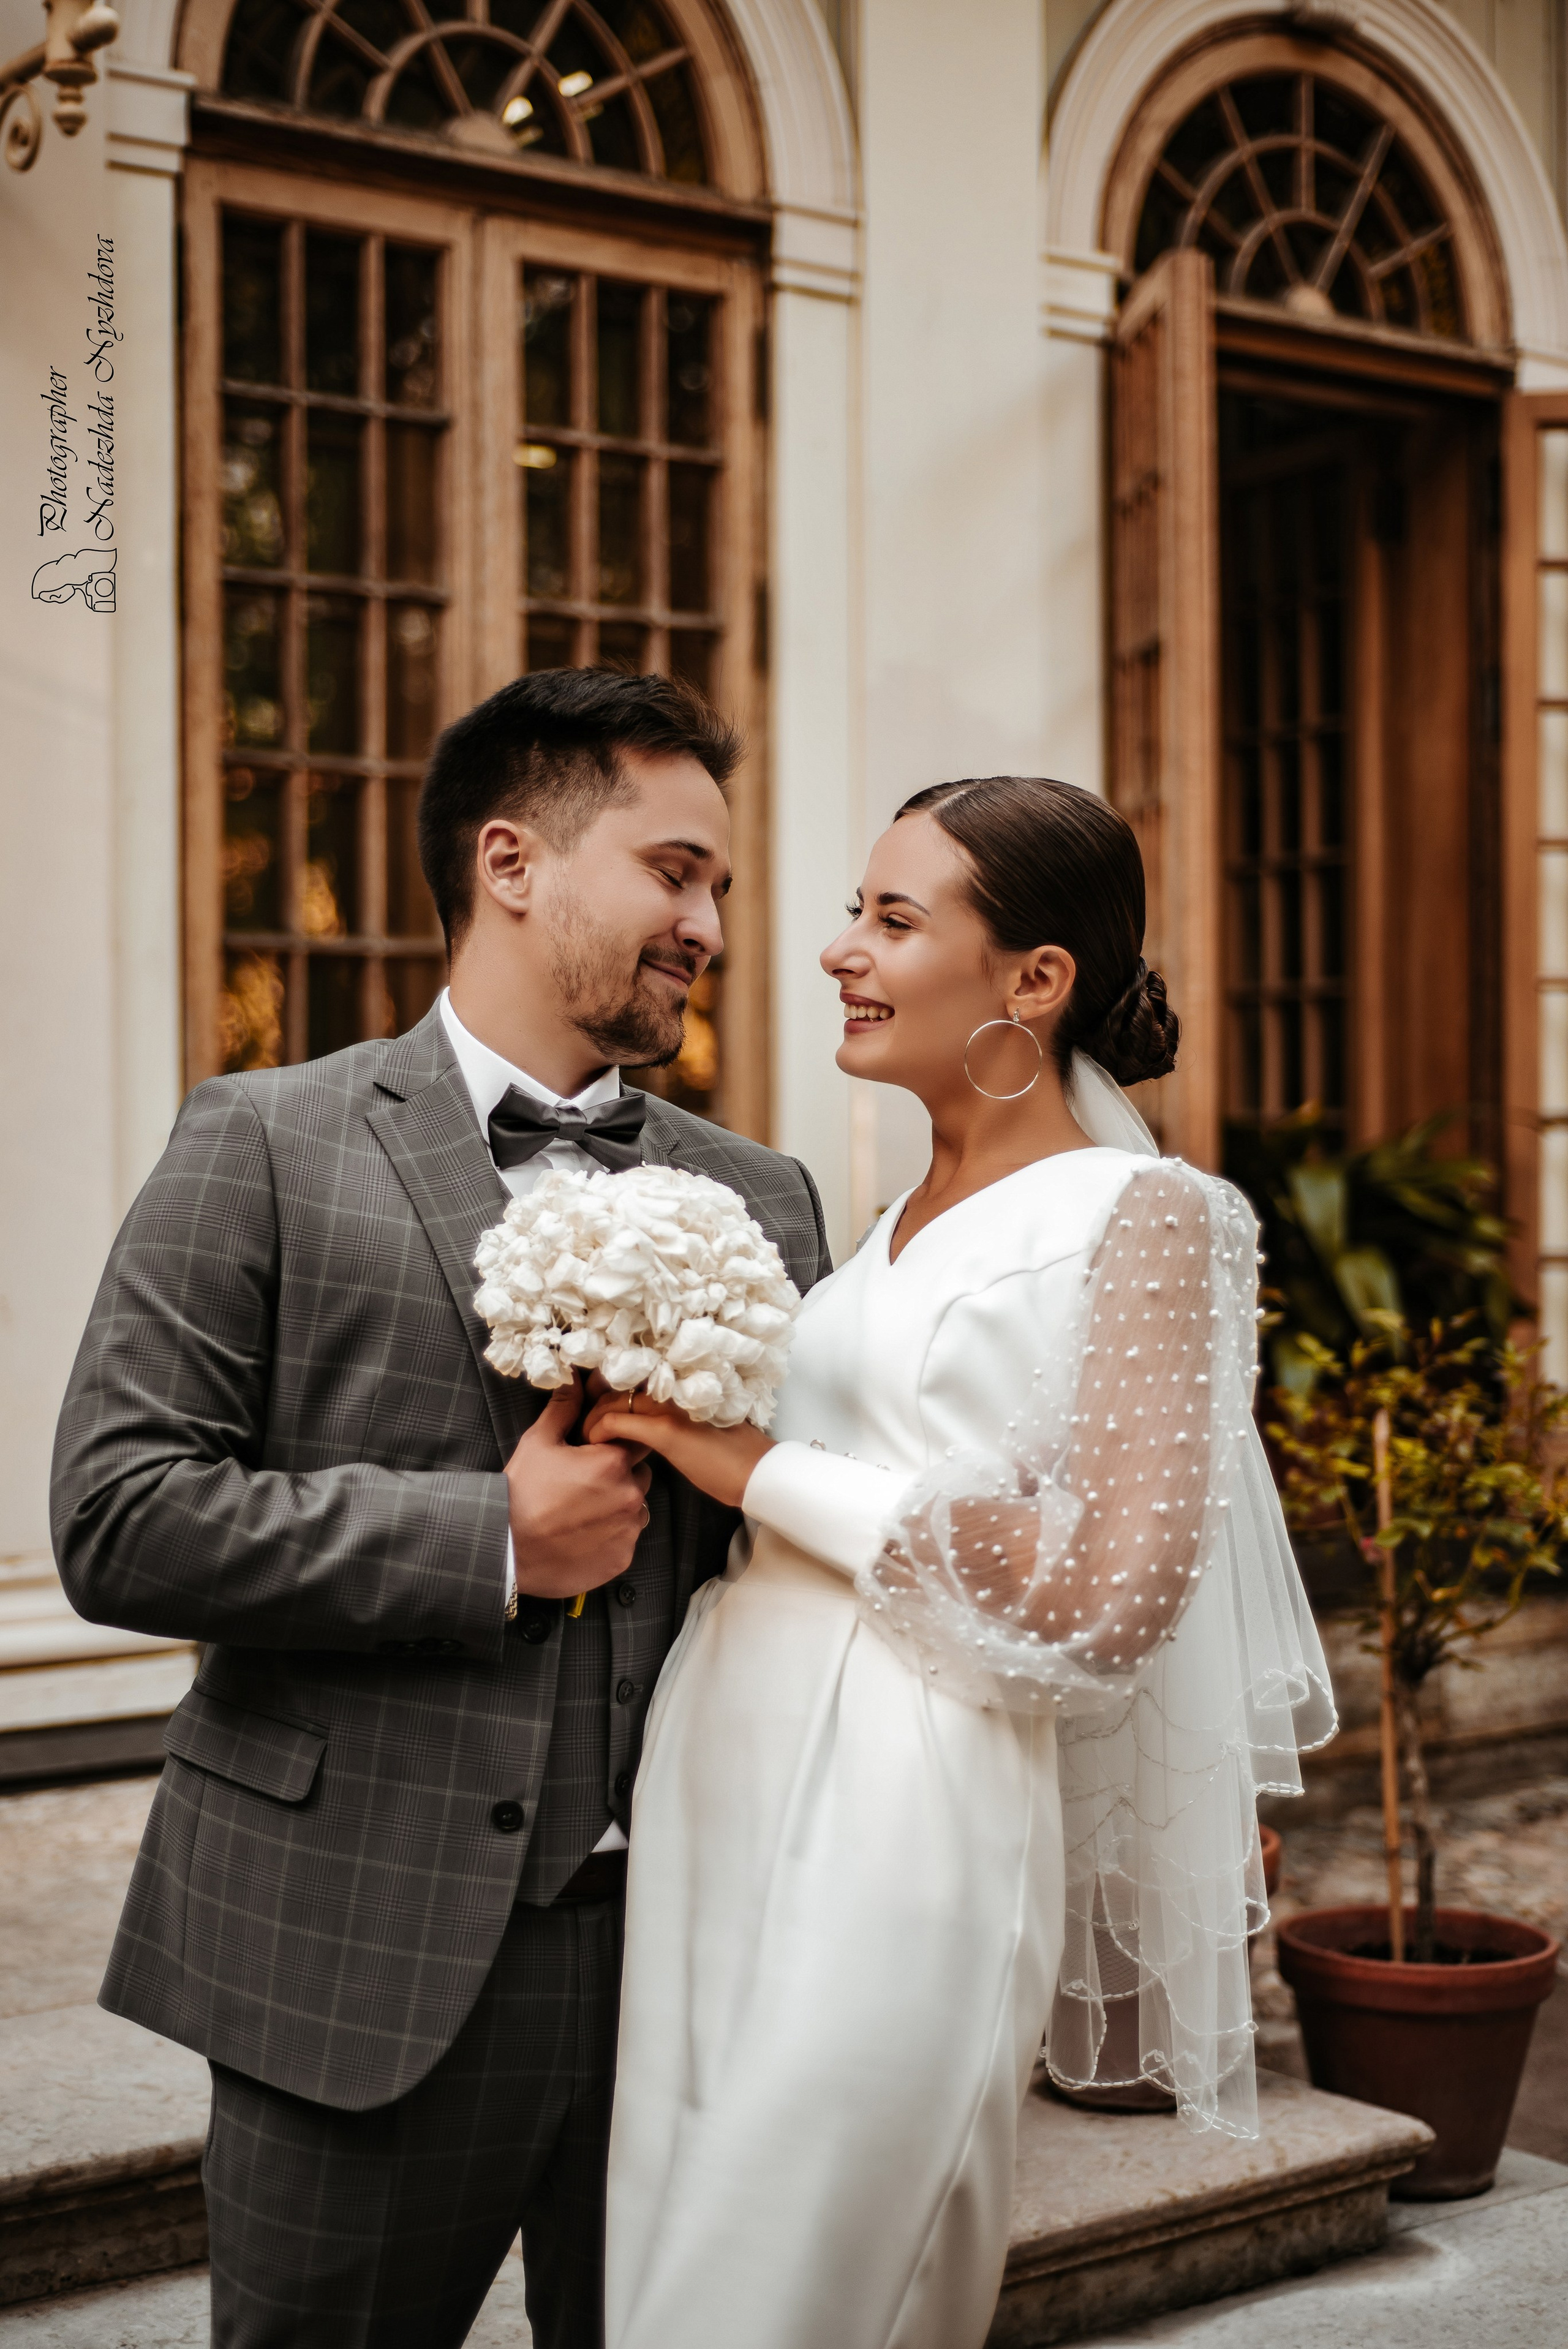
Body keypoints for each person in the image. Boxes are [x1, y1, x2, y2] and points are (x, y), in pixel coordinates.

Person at [49, 669, 832, 2349]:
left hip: (685, 1975)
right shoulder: (258, 1140)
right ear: (512, 859)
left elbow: (799, 1567)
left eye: (720, 888)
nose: (709, 922)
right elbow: (120, 1514)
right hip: (358, 1948)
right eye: (677, 870)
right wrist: (484, 1534)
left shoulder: (761, 1194)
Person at [586, 776, 1336, 2349]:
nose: (837, 950)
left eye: (892, 917)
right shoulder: (877, 1220)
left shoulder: (1148, 1215)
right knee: (665, 2246)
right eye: (855, 912)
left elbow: (1108, 1591)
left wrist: (751, 1463)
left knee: (787, 2281)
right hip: (718, 1757)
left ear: (1033, 979)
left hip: (911, 1787)